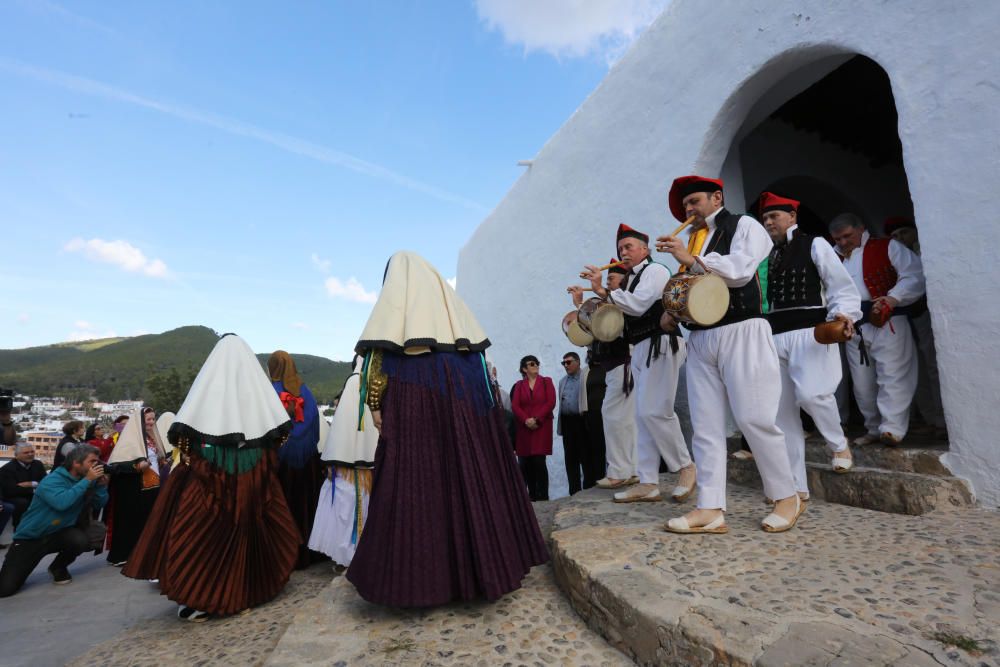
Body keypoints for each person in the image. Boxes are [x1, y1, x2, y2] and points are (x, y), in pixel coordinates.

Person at [345, 251, 548, 607]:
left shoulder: (394, 334)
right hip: (464, 425)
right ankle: (482, 570)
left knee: (414, 489)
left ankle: (418, 582)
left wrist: (376, 407)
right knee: (466, 483)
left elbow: (374, 373)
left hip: (412, 420)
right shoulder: (462, 337)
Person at [656, 175, 801, 534]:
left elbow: (739, 271)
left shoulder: (745, 225)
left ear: (716, 196)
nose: (689, 209)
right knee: (705, 428)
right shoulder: (694, 239)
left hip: (743, 329)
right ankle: (710, 508)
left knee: (755, 418)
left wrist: (690, 260)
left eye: (695, 201)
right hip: (702, 337)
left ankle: (786, 496)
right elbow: (693, 288)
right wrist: (672, 310)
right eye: (685, 205)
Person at [123, 334, 299, 621]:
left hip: (209, 477)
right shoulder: (257, 391)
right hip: (251, 478)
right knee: (240, 536)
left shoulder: (206, 390)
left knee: (200, 537)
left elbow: (185, 440)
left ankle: (201, 599)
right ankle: (220, 595)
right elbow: (275, 439)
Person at [759, 192, 862, 501]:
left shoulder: (814, 244)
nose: (768, 222)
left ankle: (838, 443)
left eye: (774, 216)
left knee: (813, 394)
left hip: (810, 331)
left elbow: (840, 285)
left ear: (792, 216)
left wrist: (843, 314)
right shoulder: (764, 255)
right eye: (765, 218)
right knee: (781, 414)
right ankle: (795, 485)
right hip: (773, 335)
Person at [583, 224, 695, 504]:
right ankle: (647, 481)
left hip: (661, 343)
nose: (623, 252)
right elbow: (618, 324)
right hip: (641, 348)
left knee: (657, 411)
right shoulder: (629, 280)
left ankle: (686, 467)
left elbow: (638, 305)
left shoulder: (654, 271)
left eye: (629, 247)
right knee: (642, 416)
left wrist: (603, 290)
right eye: (621, 248)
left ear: (644, 249)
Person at [830, 213, 926, 445]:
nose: (843, 242)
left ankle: (892, 428)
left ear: (861, 228)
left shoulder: (887, 246)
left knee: (892, 374)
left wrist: (893, 298)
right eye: (838, 239)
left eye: (847, 236)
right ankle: (873, 428)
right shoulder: (831, 257)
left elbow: (914, 276)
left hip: (888, 319)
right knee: (862, 382)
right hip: (854, 327)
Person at [0, 445, 109, 596]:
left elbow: (99, 504)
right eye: (92, 461)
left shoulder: (85, 480)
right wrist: (87, 481)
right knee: (5, 590)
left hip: (60, 532)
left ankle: (58, 567)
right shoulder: (52, 480)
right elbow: (62, 503)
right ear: (76, 463)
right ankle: (17, 563)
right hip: (32, 537)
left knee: (88, 535)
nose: (97, 466)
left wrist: (101, 487)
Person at [309, 357, 379, 567]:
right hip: (362, 469)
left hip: (347, 467)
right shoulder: (370, 386)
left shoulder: (352, 386)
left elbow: (340, 429)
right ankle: (355, 555)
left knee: (346, 509)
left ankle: (350, 556)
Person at [572, 264, 637, 490]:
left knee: (615, 416)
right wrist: (580, 303)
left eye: (613, 278)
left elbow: (608, 327)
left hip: (623, 364)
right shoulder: (612, 304)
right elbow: (594, 329)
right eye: (607, 279)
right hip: (615, 367)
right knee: (624, 419)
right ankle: (630, 469)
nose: (609, 282)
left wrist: (599, 292)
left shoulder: (625, 303)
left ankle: (621, 471)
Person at [884, 217, 945, 437]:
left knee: (933, 366)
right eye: (895, 236)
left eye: (904, 233)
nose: (900, 239)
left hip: (924, 315)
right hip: (903, 318)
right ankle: (928, 417)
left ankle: (941, 419)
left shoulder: (925, 255)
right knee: (913, 367)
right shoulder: (891, 258)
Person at [268, 350, 325, 569]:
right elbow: (314, 423)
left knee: (286, 508)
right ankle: (311, 552)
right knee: (307, 505)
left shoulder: (268, 392)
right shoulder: (305, 391)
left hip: (281, 463)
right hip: (307, 462)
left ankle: (286, 556)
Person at [104, 407, 167, 566]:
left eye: (153, 419)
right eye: (148, 420)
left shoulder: (150, 438)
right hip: (132, 489)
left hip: (151, 486)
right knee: (130, 522)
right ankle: (123, 555)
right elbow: (116, 466)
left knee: (148, 521)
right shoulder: (129, 440)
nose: (152, 423)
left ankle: (143, 553)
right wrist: (136, 467)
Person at [511, 355, 556, 502]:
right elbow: (515, 406)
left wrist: (536, 419)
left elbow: (550, 402)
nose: (536, 365)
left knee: (539, 461)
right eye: (532, 364)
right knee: (525, 462)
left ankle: (543, 495)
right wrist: (526, 420)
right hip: (524, 429)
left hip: (540, 427)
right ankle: (531, 496)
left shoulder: (546, 382)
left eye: (537, 363)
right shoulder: (519, 385)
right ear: (524, 369)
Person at [557, 352, 588, 495]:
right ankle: (574, 491)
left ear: (578, 362)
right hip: (567, 422)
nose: (566, 366)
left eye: (568, 362)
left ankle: (588, 489)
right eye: (564, 363)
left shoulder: (585, 377)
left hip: (581, 421)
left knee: (585, 456)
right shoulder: (562, 381)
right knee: (570, 458)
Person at [0, 443, 47, 529]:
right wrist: (33, 489)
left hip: (33, 494)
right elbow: (11, 490)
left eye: (32, 452)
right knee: (22, 503)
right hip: (13, 497)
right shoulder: (8, 469)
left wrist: (32, 484)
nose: (30, 454)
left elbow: (46, 482)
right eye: (26, 453)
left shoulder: (38, 464)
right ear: (17, 455)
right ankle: (18, 531)